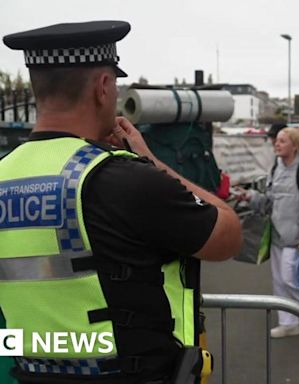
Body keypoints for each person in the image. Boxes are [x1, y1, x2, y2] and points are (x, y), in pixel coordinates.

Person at [0, 21, 242, 384]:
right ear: (102, 87)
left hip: (28, 373)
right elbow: (228, 235)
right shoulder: (124, 179)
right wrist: (152, 162)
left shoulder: (5, 175)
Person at [239, 128, 299, 338]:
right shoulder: (275, 169)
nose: (277, 144)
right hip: (276, 235)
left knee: (291, 279)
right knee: (279, 280)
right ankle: (289, 323)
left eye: (282, 141)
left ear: (295, 146)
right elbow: (269, 201)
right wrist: (250, 196)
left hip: (297, 239)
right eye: (276, 141)